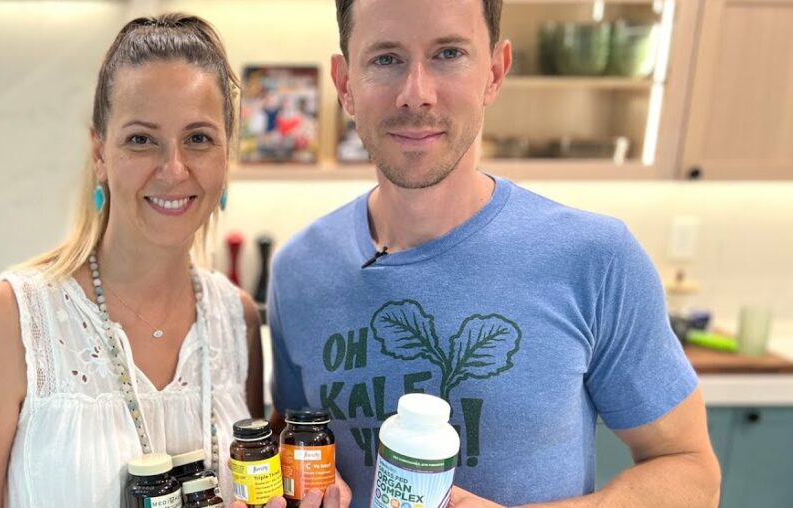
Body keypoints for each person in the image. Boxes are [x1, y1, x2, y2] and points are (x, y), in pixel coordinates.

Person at [267, 1, 721, 507]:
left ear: (495, 72)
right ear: (346, 83)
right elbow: (292, 438)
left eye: (448, 54)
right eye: (386, 58)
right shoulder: (298, 271)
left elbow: (692, 473)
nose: (416, 93)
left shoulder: (595, 259)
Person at [0, 13, 264, 507]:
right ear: (99, 155)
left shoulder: (237, 321)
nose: (174, 169)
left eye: (198, 138)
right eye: (141, 139)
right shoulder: (7, 320)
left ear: (226, 156)